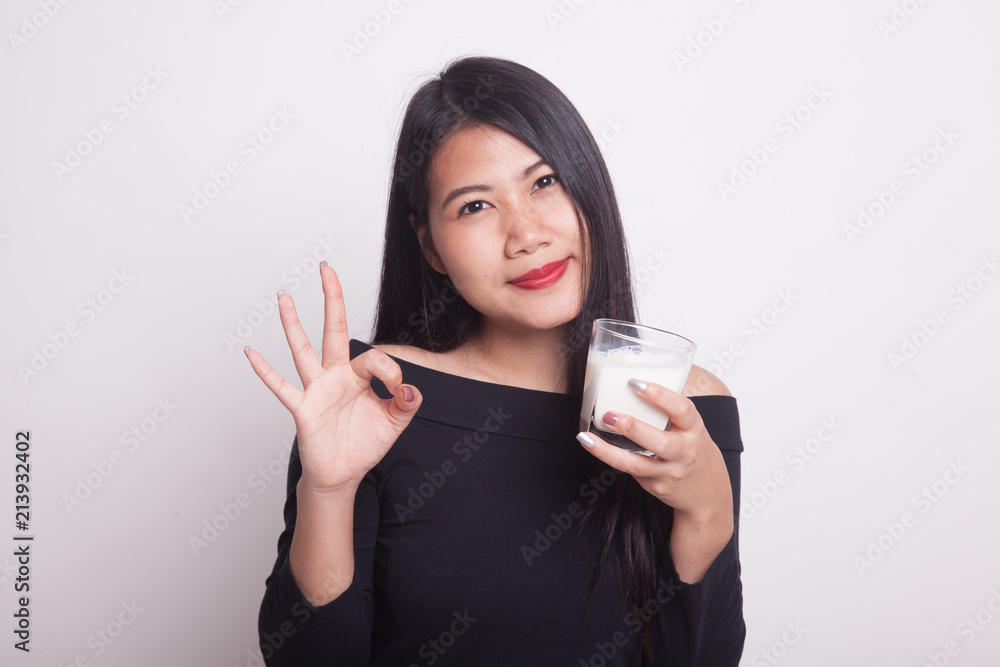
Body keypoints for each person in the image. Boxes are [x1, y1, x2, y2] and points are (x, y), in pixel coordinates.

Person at [246, 55, 746, 666]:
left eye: (544, 182)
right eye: (475, 206)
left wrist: (707, 508)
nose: (526, 234)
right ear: (428, 243)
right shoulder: (373, 393)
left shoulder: (686, 408)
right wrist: (327, 490)